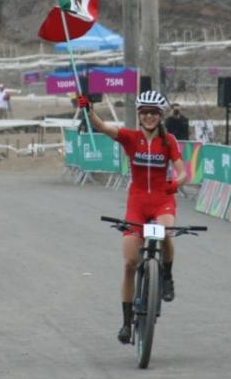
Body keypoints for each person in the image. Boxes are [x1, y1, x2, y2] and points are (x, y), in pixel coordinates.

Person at [77, 90, 187, 344]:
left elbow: (182, 172)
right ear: (139, 115)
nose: (149, 117)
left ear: (160, 116)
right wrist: (87, 109)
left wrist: (175, 183)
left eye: (154, 113)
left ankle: (167, 276)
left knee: (166, 232)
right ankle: (127, 323)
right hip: (136, 203)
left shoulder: (169, 141)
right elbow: (103, 127)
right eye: (145, 113)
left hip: (162, 201)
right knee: (129, 263)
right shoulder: (130, 138)